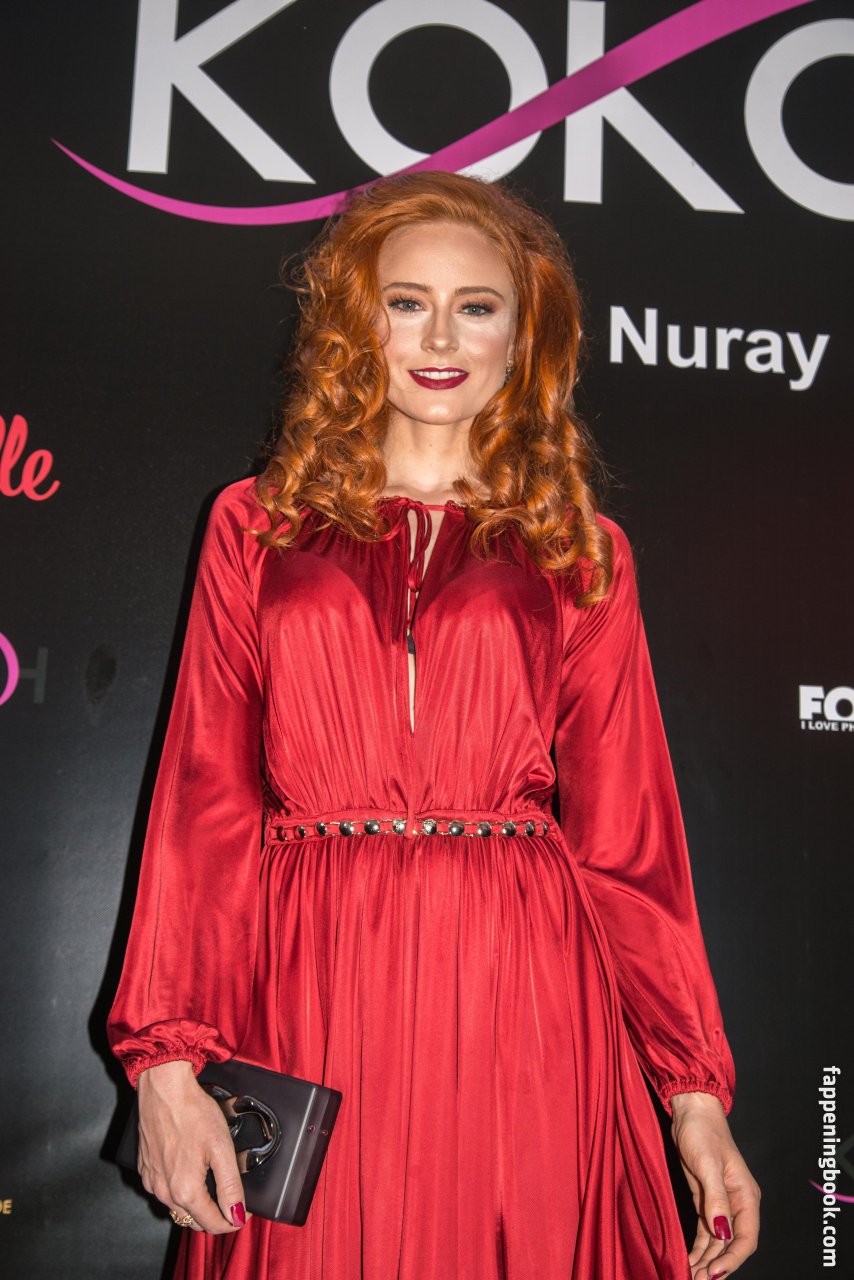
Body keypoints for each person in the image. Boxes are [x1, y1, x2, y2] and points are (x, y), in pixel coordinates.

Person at [106, 170, 760, 1280]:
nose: (441, 335)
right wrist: (165, 1062)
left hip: (527, 995)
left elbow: (629, 845)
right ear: (357, 326)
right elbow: (202, 801)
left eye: (477, 305)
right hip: (309, 981)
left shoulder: (580, 549)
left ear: (522, 336)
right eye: (406, 301)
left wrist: (694, 1096)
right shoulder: (256, 525)